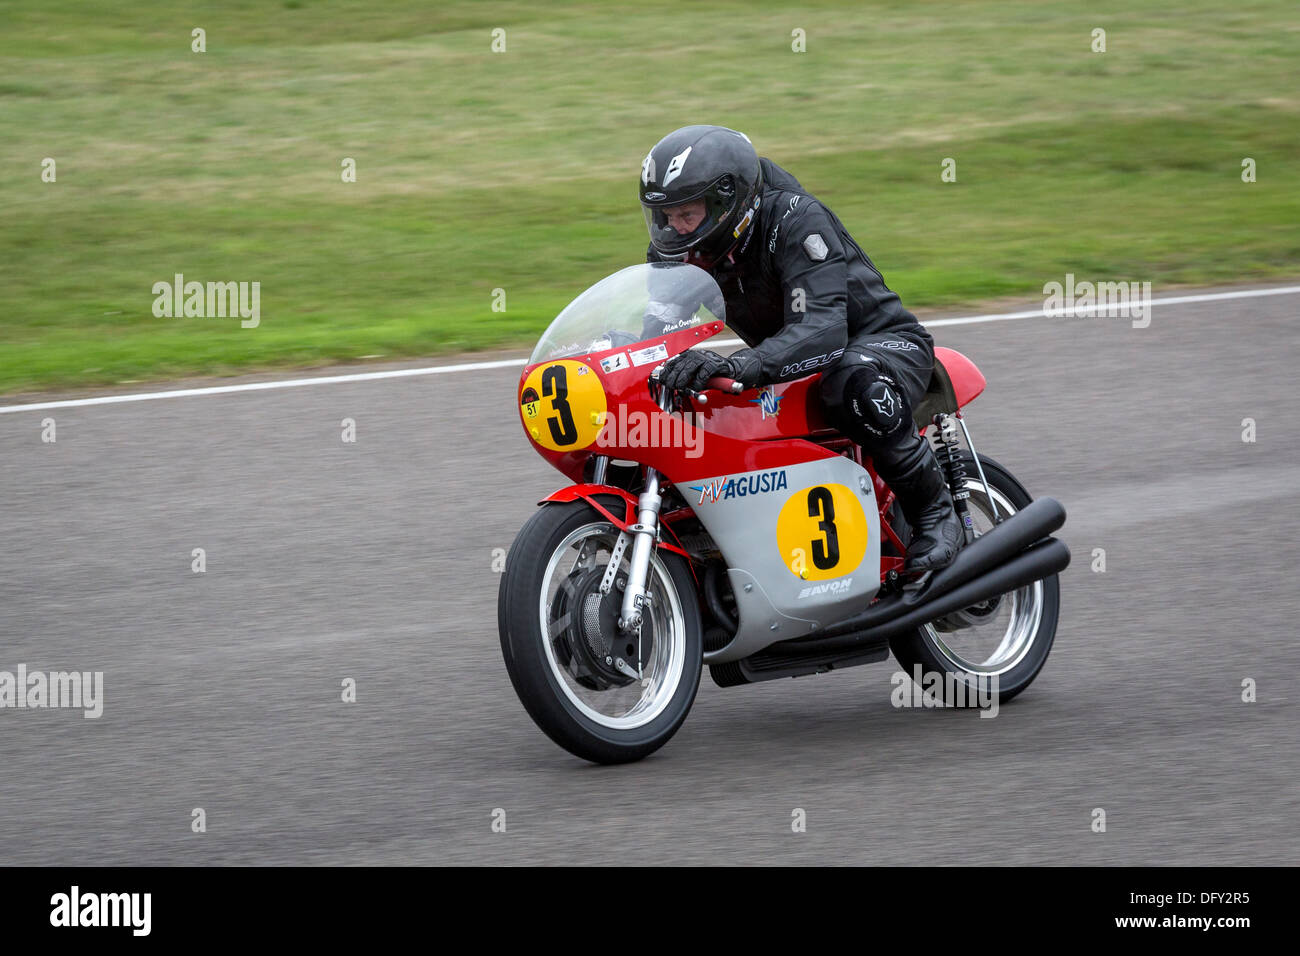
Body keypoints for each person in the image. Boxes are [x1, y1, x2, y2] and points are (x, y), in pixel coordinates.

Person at [641, 124, 961, 572]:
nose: (674, 230)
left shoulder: (794, 220)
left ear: (726, 203)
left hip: (880, 345)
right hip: (791, 362)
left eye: (687, 216)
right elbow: (653, 330)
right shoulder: (682, 250)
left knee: (850, 380)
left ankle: (936, 514)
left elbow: (824, 330)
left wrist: (742, 363)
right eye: (665, 217)